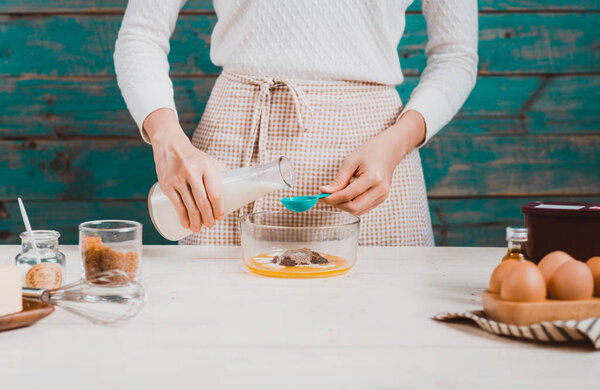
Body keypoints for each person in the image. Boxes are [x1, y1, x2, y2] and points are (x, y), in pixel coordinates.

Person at [114, 0, 478, 246]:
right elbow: (141, 33)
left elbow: (456, 55)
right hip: (233, 154)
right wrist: (167, 141)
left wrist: (397, 142)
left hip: (378, 157)